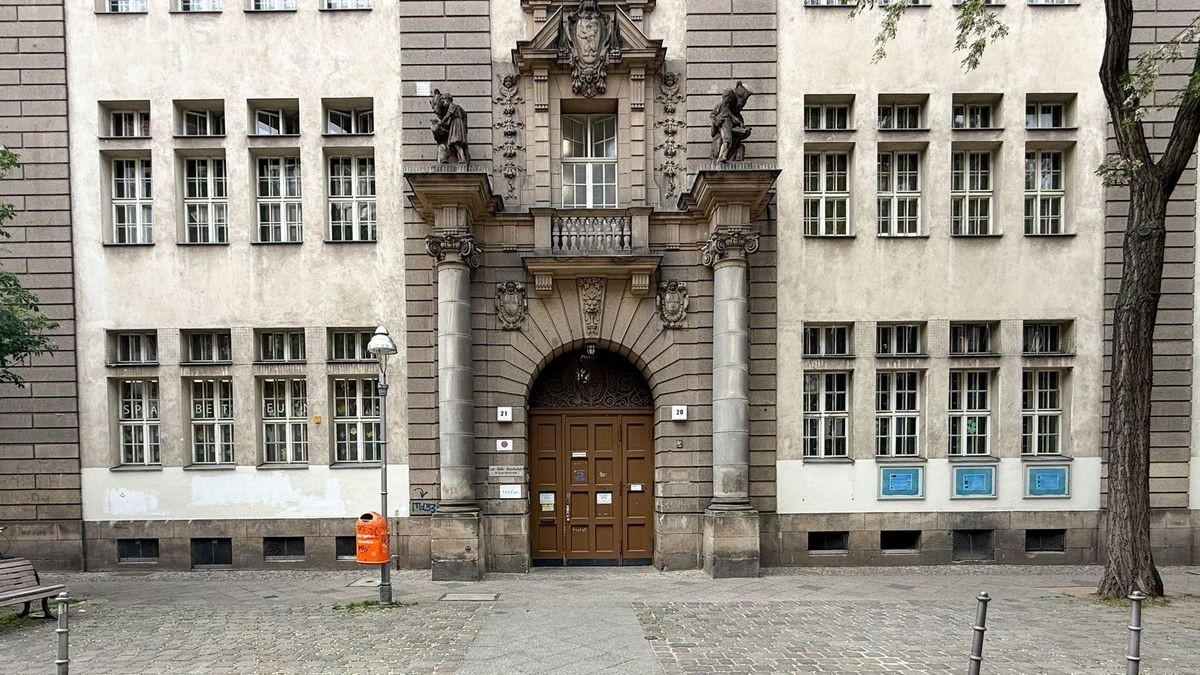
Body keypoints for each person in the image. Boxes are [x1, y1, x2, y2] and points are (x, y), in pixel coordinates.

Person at [710, 82, 753, 163]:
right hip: (723, 135)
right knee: (724, 141)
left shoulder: (734, 114)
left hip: (733, 142)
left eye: (741, 106)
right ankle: (720, 157)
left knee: (734, 144)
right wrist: (716, 122)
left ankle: (724, 157)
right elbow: (712, 117)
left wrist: (745, 131)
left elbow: (736, 121)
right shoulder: (722, 108)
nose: (739, 107)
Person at [430, 90, 470, 165]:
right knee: (455, 144)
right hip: (453, 126)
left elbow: (448, 117)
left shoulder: (453, 107)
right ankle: (461, 159)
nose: (443, 103)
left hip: (456, 125)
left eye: (444, 102)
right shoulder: (447, 109)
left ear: (448, 100)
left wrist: (440, 124)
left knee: (457, 144)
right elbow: (448, 122)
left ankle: (463, 159)